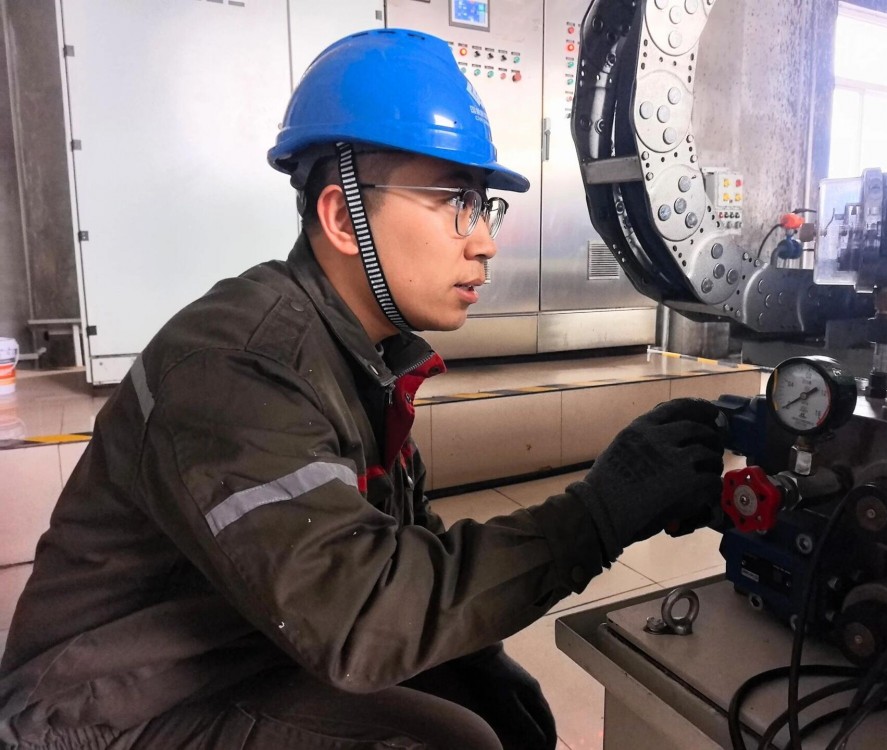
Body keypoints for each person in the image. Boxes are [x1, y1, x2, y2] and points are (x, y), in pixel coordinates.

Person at [0, 28, 725, 749]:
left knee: (495, 714)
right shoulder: (236, 368)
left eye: (484, 206)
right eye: (456, 201)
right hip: (99, 714)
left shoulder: (360, 356)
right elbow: (359, 618)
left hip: (244, 648)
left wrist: (476, 662)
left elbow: (398, 545)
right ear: (344, 217)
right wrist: (595, 515)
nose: (485, 242)